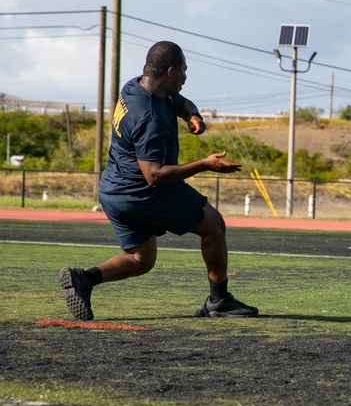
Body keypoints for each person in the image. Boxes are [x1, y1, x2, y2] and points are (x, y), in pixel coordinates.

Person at [59, 40, 258, 320]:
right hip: (143, 193)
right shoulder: (150, 118)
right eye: (184, 71)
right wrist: (205, 164)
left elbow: (176, 100)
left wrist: (193, 114)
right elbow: (154, 175)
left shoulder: (135, 85)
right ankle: (219, 300)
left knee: (142, 259)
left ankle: (86, 279)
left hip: (113, 190)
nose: (186, 78)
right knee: (213, 225)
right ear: (170, 72)